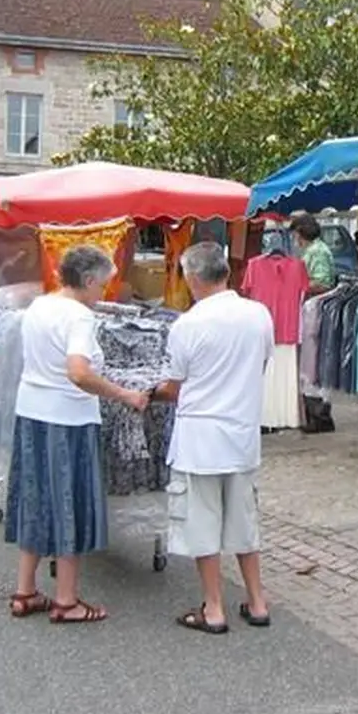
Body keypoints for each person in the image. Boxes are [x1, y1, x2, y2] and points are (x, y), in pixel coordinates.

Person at [5, 245, 149, 624]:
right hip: (67, 418)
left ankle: (25, 591)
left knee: (36, 497)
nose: (104, 293)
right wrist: (125, 394)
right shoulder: (79, 318)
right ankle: (66, 600)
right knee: (69, 502)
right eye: (102, 285)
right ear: (87, 281)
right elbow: (79, 373)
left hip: (32, 412)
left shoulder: (40, 306)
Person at [153, 241, 275, 634]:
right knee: (243, 521)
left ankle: (214, 607)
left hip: (200, 439)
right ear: (226, 271)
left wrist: (151, 393)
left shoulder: (187, 324)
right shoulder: (258, 315)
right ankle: (257, 601)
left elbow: (174, 388)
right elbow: (261, 364)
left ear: (191, 278)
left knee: (202, 523)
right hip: (241, 433)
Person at [291, 214, 335, 295]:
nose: (294, 237)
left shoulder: (317, 251)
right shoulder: (311, 249)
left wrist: (294, 286)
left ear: (299, 234)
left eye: (294, 234)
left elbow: (322, 284)